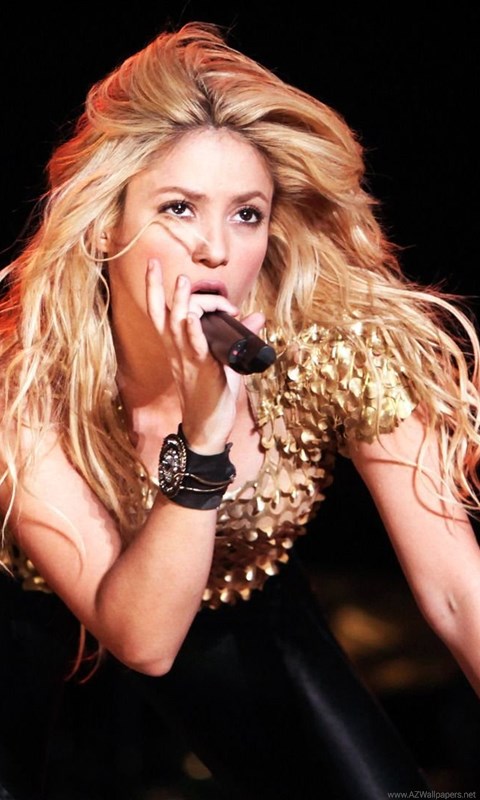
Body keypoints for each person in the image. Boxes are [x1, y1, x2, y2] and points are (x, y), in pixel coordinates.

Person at [1, 20, 479, 800]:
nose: (216, 249)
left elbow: (459, 592)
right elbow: (142, 640)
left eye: (246, 213)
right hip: (27, 625)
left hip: (233, 608)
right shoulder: (25, 385)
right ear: (107, 225)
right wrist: (205, 436)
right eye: (179, 208)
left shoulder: (333, 349)